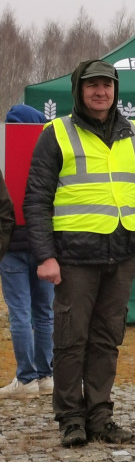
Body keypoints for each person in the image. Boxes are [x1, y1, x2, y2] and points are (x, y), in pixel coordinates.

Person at [24, 59, 135, 447]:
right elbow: (37, 199)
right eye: (92, 86)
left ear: (116, 90)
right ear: (78, 90)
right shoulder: (57, 133)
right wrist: (45, 256)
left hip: (122, 256)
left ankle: (100, 416)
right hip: (73, 257)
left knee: (107, 339)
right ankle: (71, 418)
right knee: (71, 340)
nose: (100, 92)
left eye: (107, 85)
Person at [0, 106, 48, 400]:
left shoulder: (5, 151)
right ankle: (46, 375)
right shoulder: (49, 152)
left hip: (11, 246)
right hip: (44, 245)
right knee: (45, 313)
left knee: (20, 313)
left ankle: (26, 378)